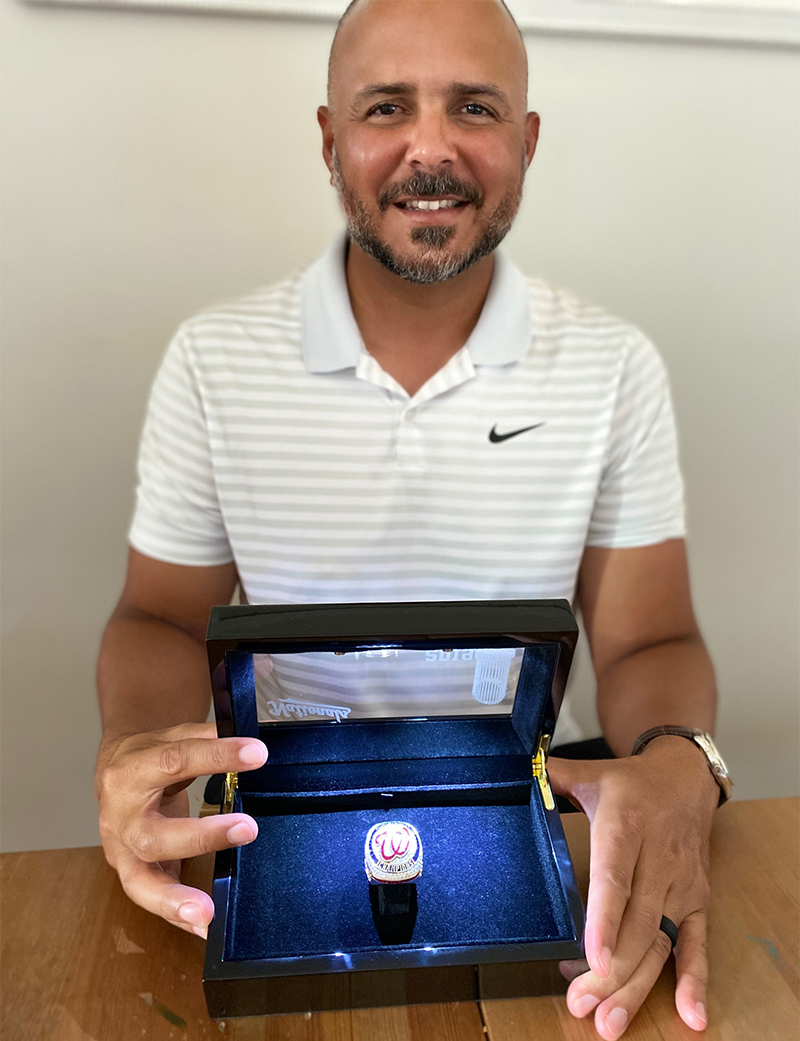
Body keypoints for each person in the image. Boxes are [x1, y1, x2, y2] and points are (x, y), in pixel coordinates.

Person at [95, 1, 730, 1037]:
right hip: (283, 791)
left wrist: (675, 767)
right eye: (386, 105)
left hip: (510, 785)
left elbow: (652, 639)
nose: (428, 149)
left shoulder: (612, 366)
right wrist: (147, 752)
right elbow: (159, 619)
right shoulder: (213, 359)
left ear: (524, 142)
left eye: (472, 108)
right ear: (329, 138)